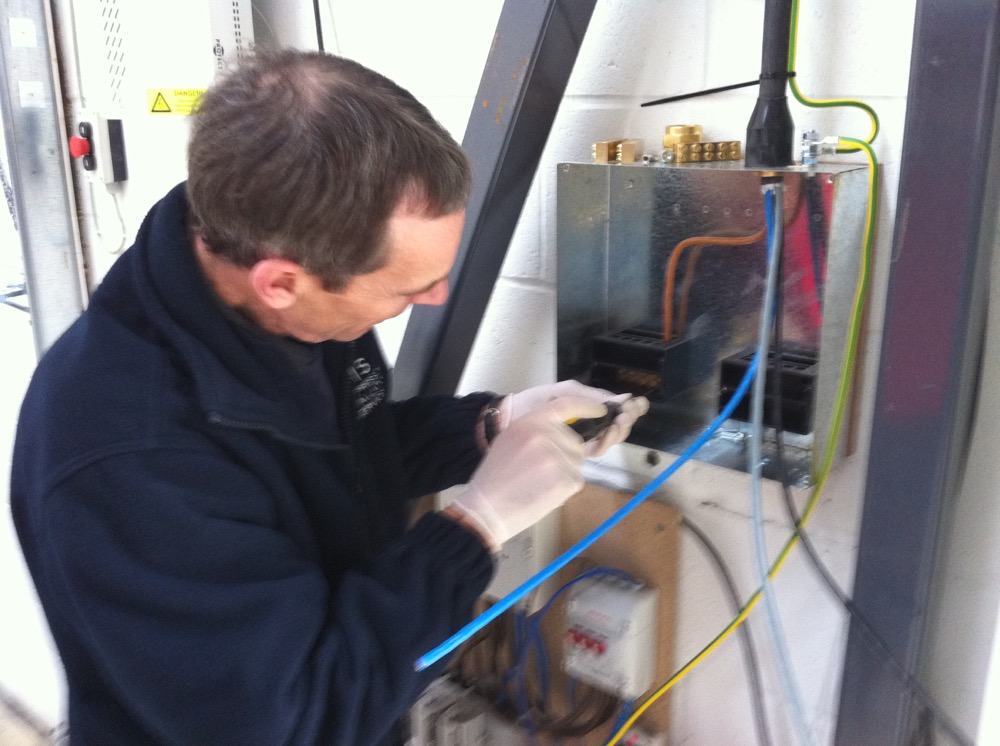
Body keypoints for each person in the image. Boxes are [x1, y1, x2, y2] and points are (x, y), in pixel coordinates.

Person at [10, 49, 647, 745]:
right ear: (281, 282)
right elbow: (299, 718)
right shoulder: (127, 457)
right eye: (406, 289)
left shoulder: (290, 296)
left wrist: (487, 426)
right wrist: (475, 527)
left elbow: (338, 456)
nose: (436, 296)